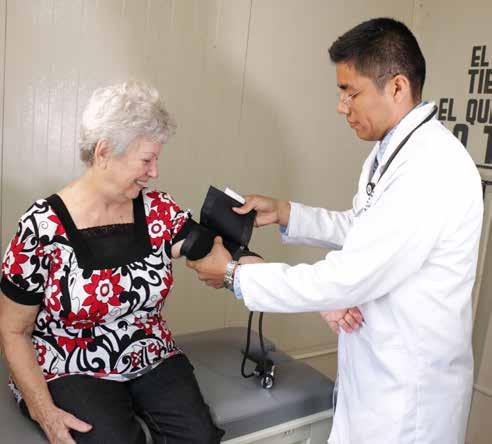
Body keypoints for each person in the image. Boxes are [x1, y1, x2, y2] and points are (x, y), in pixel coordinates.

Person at [186, 18, 484, 444]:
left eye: (351, 92)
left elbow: (346, 277)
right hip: (372, 374)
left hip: (408, 401)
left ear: (397, 87)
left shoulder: (431, 168)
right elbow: (366, 228)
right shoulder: (390, 152)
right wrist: (287, 213)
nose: (342, 107)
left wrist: (236, 275)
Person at [0, 81, 224, 444]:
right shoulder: (42, 227)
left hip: (148, 350)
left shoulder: (157, 209)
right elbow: (12, 330)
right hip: (68, 362)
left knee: (200, 437)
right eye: (146, 160)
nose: (154, 171)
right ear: (104, 151)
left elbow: (205, 248)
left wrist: (243, 266)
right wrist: (43, 410)